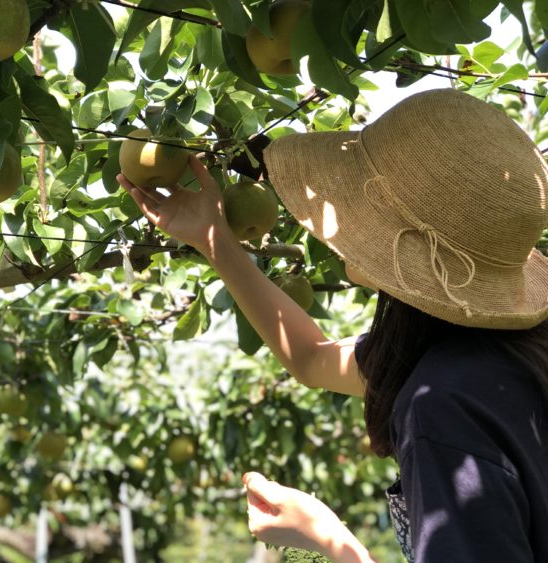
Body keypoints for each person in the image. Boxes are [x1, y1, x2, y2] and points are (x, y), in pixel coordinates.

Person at [117, 88, 548, 562]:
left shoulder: (441, 407)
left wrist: (326, 537)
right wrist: (214, 239)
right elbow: (311, 357)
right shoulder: (496, 354)